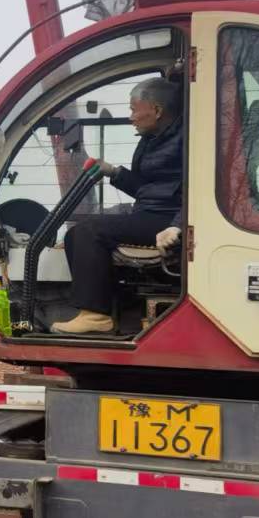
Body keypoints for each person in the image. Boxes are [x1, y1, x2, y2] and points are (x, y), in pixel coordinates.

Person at [53, 76, 183, 336]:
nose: (131, 117)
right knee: (75, 234)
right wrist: (113, 172)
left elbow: (201, 188)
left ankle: (95, 316)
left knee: (89, 231)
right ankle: (105, 310)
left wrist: (178, 225)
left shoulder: (187, 140)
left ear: (157, 110)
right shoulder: (152, 139)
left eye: (134, 109)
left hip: (168, 219)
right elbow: (147, 189)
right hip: (152, 213)